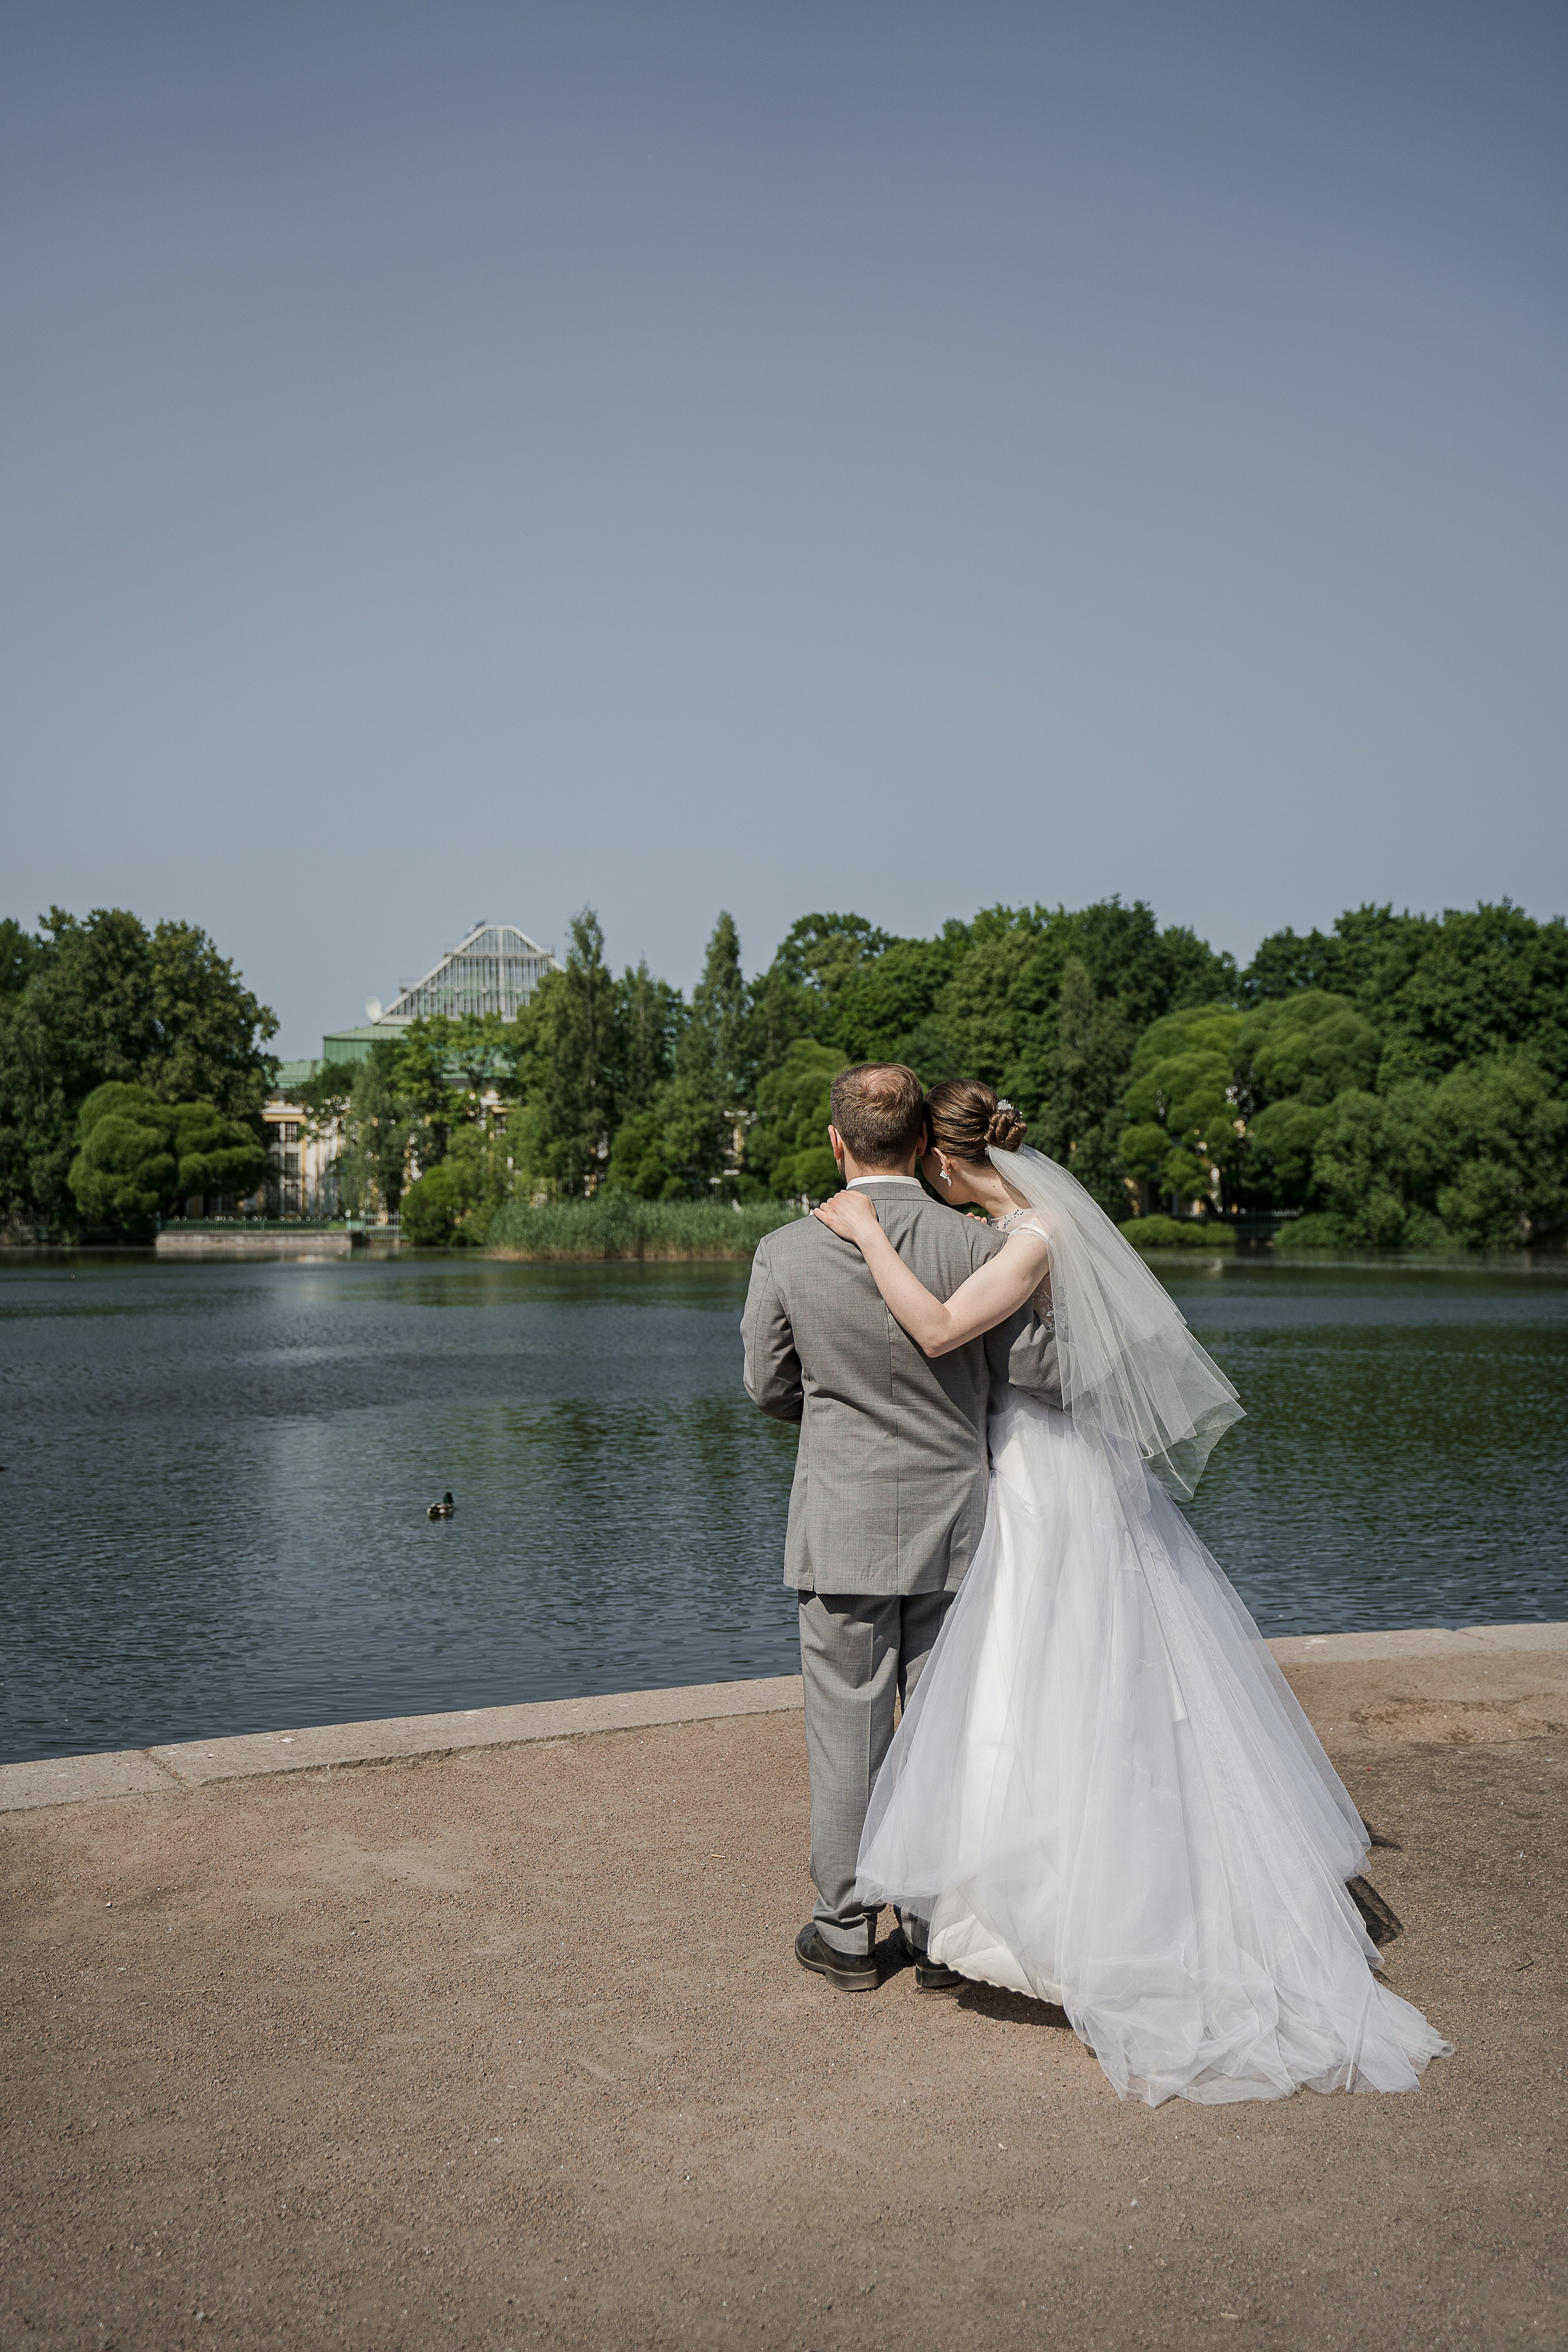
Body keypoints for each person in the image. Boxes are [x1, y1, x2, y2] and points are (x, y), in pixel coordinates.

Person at [812, 1077, 1452, 2105]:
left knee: (1057, 1665)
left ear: (938, 1155)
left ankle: (1069, 1913)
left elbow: (938, 1333)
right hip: (1045, 1461)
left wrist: (864, 1231)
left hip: (1044, 1476)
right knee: (1065, 1668)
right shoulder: (1019, 1223)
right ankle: (1000, 1905)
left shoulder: (1027, 1235)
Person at [741, 1063, 1062, 1993]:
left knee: (847, 1731)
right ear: (925, 1142)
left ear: (837, 1144)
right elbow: (1032, 1374)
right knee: (942, 1728)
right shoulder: (977, 1245)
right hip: (955, 1522)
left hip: (840, 1520)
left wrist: (839, 1415)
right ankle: (931, 1929)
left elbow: (766, 1387)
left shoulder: (786, 1250)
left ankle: (845, 1932)